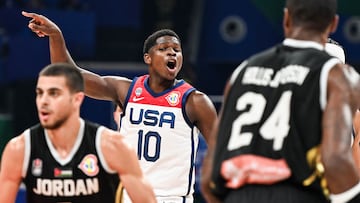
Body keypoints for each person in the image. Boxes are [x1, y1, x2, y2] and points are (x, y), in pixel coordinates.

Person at [22, 11, 218, 203]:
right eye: (164, 48)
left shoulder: (195, 101)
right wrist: (56, 36)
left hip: (170, 198)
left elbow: (221, 150)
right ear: (147, 58)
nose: (172, 52)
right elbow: (70, 75)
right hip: (128, 195)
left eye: (176, 49)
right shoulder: (126, 90)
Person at [201, 0, 360, 203]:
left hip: (238, 195)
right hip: (298, 193)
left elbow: (210, 172)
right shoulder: (337, 75)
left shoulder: (243, 71)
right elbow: (336, 160)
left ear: (286, 19)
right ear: (333, 24)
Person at [0, 63, 156, 203]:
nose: (44, 101)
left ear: (77, 99)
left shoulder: (111, 146)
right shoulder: (19, 149)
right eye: (40, 93)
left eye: (54, 93)